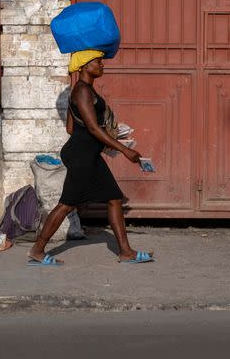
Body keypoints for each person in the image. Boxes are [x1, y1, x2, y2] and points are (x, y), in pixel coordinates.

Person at [27, 49, 155, 266]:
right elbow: (94, 129)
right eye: (98, 62)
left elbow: (70, 128)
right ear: (85, 65)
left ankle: (125, 252)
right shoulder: (83, 91)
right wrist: (125, 150)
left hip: (86, 153)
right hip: (82, 156)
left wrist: (104, 136)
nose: (102, 65)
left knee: (113, 198)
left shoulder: (80, 91)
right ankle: (38, 250)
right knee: (67, 204)